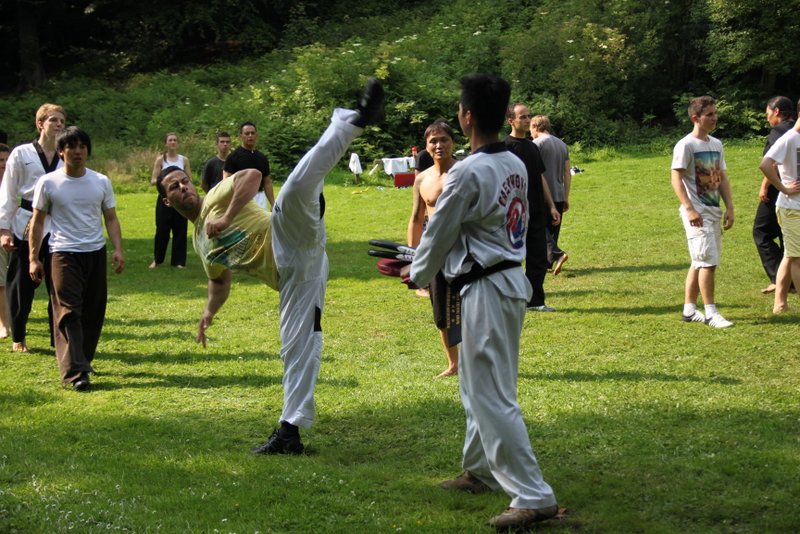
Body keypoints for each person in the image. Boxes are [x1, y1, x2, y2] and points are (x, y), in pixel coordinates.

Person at [157, 78, 384, 454]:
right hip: (294, 276)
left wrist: (227, 217)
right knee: (295, 347)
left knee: (294, 190)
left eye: (184, 181)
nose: (183, 188)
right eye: (174, 188)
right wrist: (208, 314)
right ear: (168, 201)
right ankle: (289, 433)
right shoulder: (200, 243)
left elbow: (250, 176)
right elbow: (220, 282)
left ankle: (354, 120)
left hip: (285, 236)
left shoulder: (214, 197)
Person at [409, 74, 559, 530]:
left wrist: (416, 272)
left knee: (490, 394)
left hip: (487, 289)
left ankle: (533, 495)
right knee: (483, 385)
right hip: (507, 281)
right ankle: (479, 471)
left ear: (467, 117)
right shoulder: (513, 162)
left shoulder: (467, 172)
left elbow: (439, 230)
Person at [28, 126, 124, 390]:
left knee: (93, 310)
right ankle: (75, 372)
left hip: (94, 252)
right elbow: (37, 222)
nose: (77, 151)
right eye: (71, 146)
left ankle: (82, 359)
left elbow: (111, 218)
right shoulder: (48, 183)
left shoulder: (101, 181)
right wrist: (33, 258)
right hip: (62, 252)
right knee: (68, 310)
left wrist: (118, 249)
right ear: (61, 151)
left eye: (82, 146)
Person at [0, 102, 64, 353]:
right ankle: (19, 336)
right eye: (53, 120)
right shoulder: (21, 153)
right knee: (21, 284)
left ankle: (58, 339)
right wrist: (4, 229)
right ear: (40, 124)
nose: (59, 124)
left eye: (62, 121)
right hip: (25, 222)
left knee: (58, 285)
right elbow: (8, 193)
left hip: (58, 224)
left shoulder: (65, 153)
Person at [671, 95, 735, 328]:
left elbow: (721, 178)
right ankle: (711, 313)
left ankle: (689, 310)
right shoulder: (686, 145)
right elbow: (676, 178)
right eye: (709, 115)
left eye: (715, 113)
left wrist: (730, 207)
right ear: (695, 118)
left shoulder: (716, 144)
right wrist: (690, 209)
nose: (714, 118)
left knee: (700, 260)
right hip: (697, 213)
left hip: (713, 210)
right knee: (708, 262)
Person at [407, 121, 461, 377]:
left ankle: (478, 360)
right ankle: (454, 364)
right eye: (433, 141)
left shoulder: (464, 173)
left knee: (472, 306)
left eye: (444, 140)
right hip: (435, 250)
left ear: (453, 142)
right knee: (441, 309)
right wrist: (411, 256)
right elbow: (416, 218)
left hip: (465, 248)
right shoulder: (422, 179)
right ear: (426, 146)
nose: (439, 145)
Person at [504, 102, 561, 312]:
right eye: (523, 117)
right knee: (511, 259)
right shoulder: (505, 147)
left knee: (538, 257)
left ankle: (535, 301)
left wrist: (551, 206)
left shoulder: (532, 146)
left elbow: (540, 177)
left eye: (529, 116)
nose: (528, 120)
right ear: (511, 121)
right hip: (513, 213)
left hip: (536, 209)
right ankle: (510, 298)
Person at [758, 99, 800, 313]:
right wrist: (783, 188)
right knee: (797, 257)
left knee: (790, 255)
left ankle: (780, 304)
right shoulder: (789, 138)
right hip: (792, 207)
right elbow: (765, 164)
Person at [531, 115, 571, 275]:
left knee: (540, 228)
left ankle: (557, 254)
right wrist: (566, 196)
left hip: (543, 194)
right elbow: (567, 173)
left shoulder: (536, 144)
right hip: (559, 193)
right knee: (552, 230)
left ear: (535, 126)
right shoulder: (562, 145)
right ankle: (548, 262)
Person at [149, 132, 190, 268]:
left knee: (180, 229)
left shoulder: (184, 160)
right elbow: (153, 180)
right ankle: (157, 260)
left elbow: (189, 179)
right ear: (166, 143)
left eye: (175, 140)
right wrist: (168, 182)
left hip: (180, 199)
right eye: (170, 140)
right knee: (162, 229)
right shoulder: (160, 160)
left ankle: (179, 262)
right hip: (165, 199)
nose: (173, 142)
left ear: (178, 143)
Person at [223, 121, 274, 210]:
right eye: (247, 133)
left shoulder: (262, 158)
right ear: (241, 136)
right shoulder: (233, 157)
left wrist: (273, 203)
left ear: (256, 136)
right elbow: (226, 182)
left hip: (259, 198)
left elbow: (267, 182)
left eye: (252, 133)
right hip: (241, 198)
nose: (250, 136)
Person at [0, 144, 12, 338]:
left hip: (17, 233)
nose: (3, 164)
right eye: (0, 160)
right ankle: (4, 324)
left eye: (6, 160)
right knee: (1, 282)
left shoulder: (15, 182)